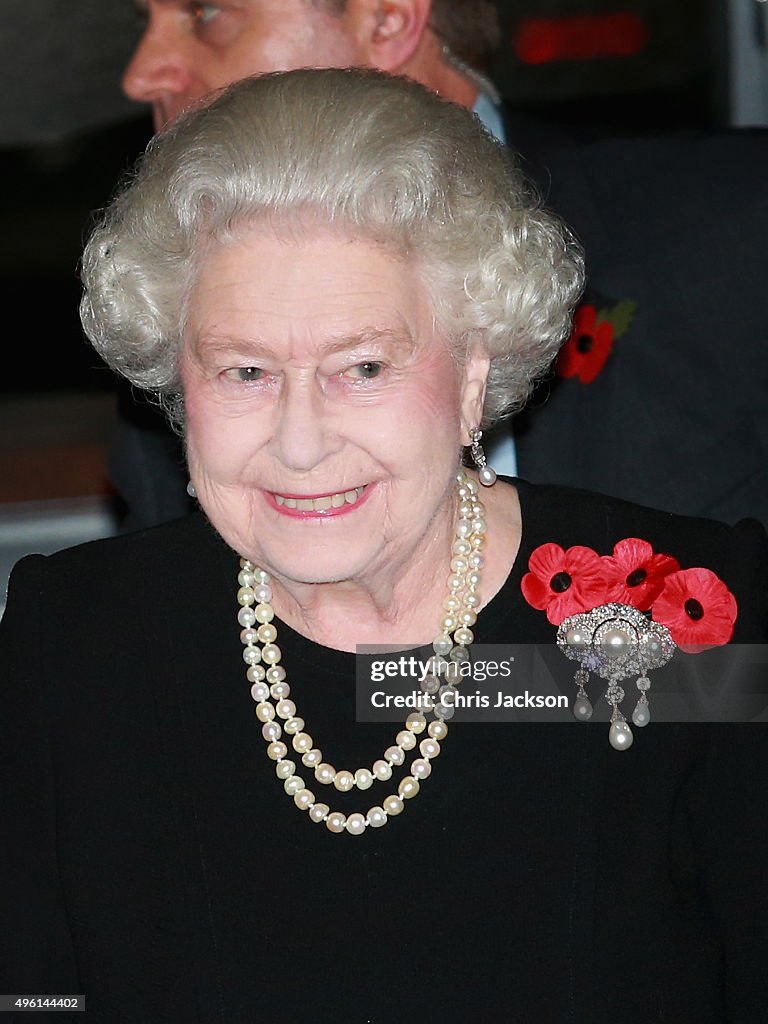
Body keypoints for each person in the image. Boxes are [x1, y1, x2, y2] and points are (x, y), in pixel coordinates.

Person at [2, 69, 767, 1023]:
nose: (299, 442)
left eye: (363, 367)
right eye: (243, 370)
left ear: (471, 371)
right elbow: (29, 995)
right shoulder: (75, 642)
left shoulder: (689, 618)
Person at [107, 0, 768, 532]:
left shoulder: (731, 222)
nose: (141, 73)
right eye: (248, 371)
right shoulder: (182, 322)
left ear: (389, 19)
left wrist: (502, 691)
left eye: (204, 13)